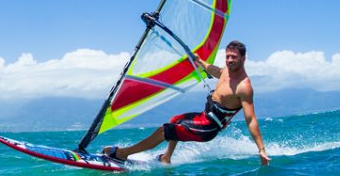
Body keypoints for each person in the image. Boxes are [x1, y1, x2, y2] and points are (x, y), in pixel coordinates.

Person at [103, 40, 271, 166]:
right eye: (227, 56)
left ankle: (122, 154)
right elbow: (215, 71)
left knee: (165, 131)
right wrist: (199, 61)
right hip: (203, 116)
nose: (229, 60)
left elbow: (251, 120)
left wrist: (261, 150)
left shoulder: (244, 86)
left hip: (208, 127)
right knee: (174, 119)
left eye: (234, 57)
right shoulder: (227, 70)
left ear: (243, 58)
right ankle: (166, 157)